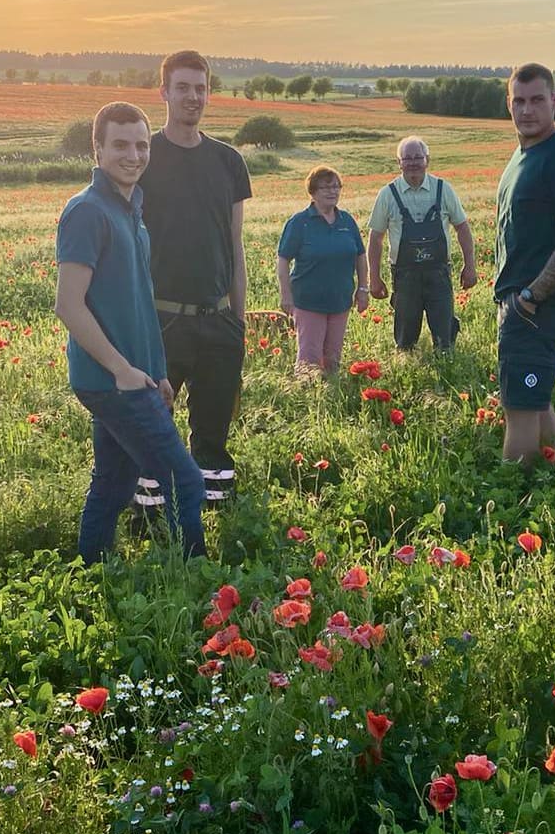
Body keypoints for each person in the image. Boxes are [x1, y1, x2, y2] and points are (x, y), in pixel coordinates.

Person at [55, 101, 206, 562]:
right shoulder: (87, 211)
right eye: (120, 144)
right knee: (186, 480)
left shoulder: (130, 210)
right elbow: (68, 304)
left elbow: (136, 304)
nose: (134, 155)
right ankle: (195, 577)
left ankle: (91, 568)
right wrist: (122, 370)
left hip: (130, 376)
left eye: (142, 144)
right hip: (109, 378)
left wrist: (155, 371)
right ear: (97, 148)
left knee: (114, 482)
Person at [135, 50, 251, 506]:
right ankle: (151, 526)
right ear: (163, 91)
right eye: (182, 87)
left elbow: (234, 246)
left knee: (214, 436)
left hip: (218, 321)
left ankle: (217, 520)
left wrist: (238, 322)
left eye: (200, 88)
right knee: (152, 433)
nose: (193, 97)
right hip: (161, 322)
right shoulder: (145, 158)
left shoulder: (228, 161)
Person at [493, 63, 555, 464]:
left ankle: (509, 501)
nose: (527, 109)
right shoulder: (523, 156)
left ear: (554, 101)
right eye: (518, 101)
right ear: (509, 104)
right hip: (522, 303)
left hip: (538, 306)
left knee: (517, 410)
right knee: (535, 401)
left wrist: (531, 297)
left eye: (537, 100)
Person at [365, 137, 477, 351]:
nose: (413, 162)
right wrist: (374, 278)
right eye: (407, 158)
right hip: (404, 276)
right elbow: (375, 238)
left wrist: (470, 266)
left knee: (445, 339)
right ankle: (408, 368)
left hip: (439, 273)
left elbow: (462, 228)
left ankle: (446, 371)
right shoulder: (387, 194)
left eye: (418, 157)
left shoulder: (444, 189)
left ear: (428, 160)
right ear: (399, 163)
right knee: (405, 340)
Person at [278, 166, 369, 372]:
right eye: (326, 187)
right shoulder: (300, 222)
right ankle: (307, 397)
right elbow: (283, 260)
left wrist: (363, 288)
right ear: (313, 191)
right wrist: (286, 295)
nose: (333, 192)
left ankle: (331, 397)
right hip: (309, 302)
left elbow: (360, 255)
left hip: (340, 300)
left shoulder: (346, 220)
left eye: (336, 187)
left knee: (333, 359)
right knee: (309, 360)